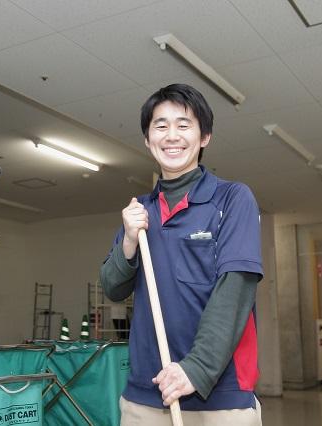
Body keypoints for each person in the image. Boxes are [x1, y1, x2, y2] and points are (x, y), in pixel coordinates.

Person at [100, 84, 263, 425]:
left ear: (205, 137)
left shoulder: (232, 200)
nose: (171, 136)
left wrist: (196, 368)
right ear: (147, 139)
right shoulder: (140, 212)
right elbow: (112, 288)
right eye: (160, 126)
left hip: (219, 396)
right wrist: (129, 241)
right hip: (145, 394)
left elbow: (234, 290)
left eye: (184, 125)